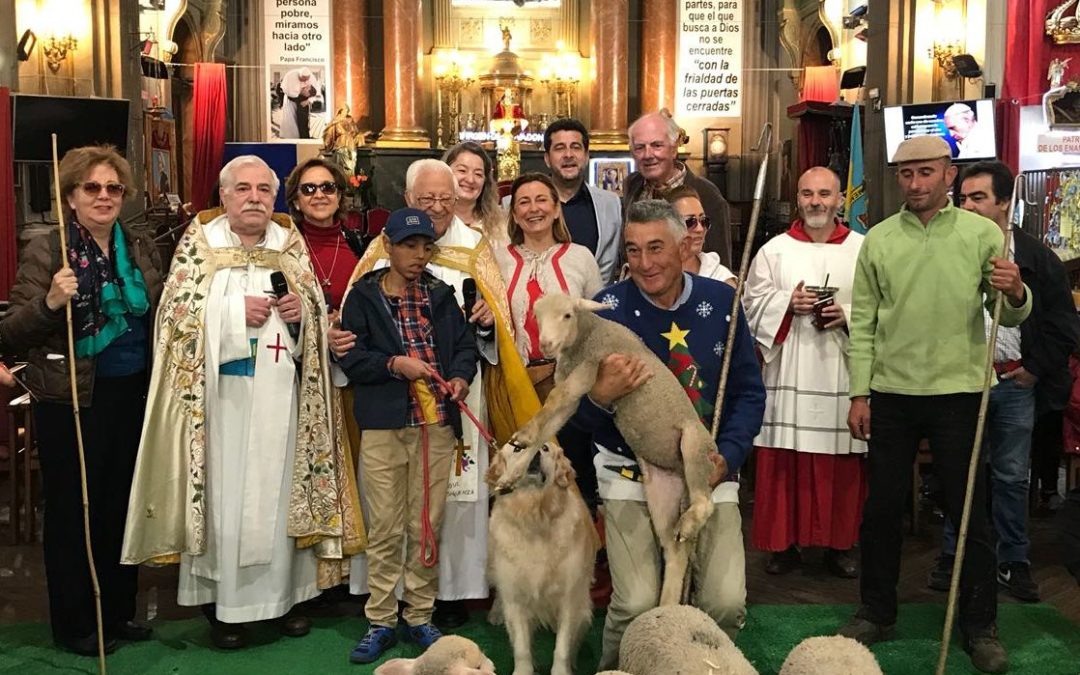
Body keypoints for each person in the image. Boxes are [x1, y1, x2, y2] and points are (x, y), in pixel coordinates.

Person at [121, 155, 362, 650]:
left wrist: (300, 317)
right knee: (225, 500)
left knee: (278, 498)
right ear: (224, 196)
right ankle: (225, 610)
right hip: (220, 405)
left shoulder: (289, 244)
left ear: (275, 198)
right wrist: (231, 312)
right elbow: (175, 319)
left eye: (264, 190)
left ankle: (285, 603)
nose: (255, 198)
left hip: (282, 400)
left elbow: (315, 316)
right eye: (243, 189)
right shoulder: (200, 244)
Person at [839, 136, 1031, 675]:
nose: (916, 184)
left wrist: (1016, 291)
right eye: (906, 174)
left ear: (949, 174)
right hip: (892, 394)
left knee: (970, 512)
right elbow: (865, 326)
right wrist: (859, 392)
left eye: (926, 172)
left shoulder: (981, 233)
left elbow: (1009, 316)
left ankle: (980, 627)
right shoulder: (876, 239)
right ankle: (875, 611)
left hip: (960, 393)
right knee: (880, 510)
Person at [347, 159, 540, 630]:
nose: (436, 207)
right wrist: (386, 361)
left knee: (441, 506)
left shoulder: (474, 248)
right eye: (425, 199)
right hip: (390, 409)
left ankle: (446, 594)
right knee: (392, 513)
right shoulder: (377, 257)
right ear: (409, 200)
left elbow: (489, 328)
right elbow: (354, 343)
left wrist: (490, 325)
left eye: (445, 199)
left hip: (454, 401)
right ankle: (384, 611)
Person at [575, 199, 765, 670]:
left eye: (656, 248)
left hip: (708, 470)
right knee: (637, 603)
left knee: (723, 602)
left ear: (684, 245)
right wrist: (600, 396)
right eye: (634, 250)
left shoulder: (722, 303)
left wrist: (729, 455)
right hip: (628, 472)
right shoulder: (608, 310)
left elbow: (747, 393)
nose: (644, 263)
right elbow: (576, 411)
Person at [0, 145, 163, 655]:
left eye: (113, 188)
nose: (103, 196)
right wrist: (50, 302)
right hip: (71, 398)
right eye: (91, 187)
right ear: (70, 196)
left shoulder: (139, 247)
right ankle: (76, 623)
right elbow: (10, 333)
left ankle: (117, 613)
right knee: (74, 513)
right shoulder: (48, 249)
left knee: (120, 507)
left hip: (133, 394)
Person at [926, 161, 1080, 601]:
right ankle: (953, 555)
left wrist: (1034, 369)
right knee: (960, 472)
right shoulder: (943, 250)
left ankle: (1013, 561)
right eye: (964, 198)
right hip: (961, 382)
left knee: (1012, 476)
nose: (968, 206)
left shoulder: (1035, 258)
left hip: (1014, 385)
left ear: (1004, 204)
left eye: (978, 198)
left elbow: (1063, 325)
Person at [341, 208, 477, 664]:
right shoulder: (362, 297)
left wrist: (458, 377)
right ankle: (381, 618)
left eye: (425, 246)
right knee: (383, 526)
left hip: (435, 423)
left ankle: (419, 614)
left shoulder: (441, 295)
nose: (418, 255)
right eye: (408, 245)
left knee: (426, 522)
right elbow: (351, 357)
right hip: (384, 424)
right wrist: (394, 365)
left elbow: (464, 347)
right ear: (388, 245)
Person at [742, 167, 866, 579]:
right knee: (784, 461)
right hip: (789, 372)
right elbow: (750, 305)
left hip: (840, 371)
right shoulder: (774, 250)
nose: (816, 202)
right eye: (808, 193)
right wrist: (785, 303)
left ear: (839, 200)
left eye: (825, 194)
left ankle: (839, 545)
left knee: (841, 466)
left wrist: (845, 314)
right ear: (797, 198)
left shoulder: (862, 249)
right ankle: (783, 545)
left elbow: (882, 308)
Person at [494, 172, 603, 398]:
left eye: (541, 200)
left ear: (556, 210)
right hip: (514, 385)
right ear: (514, 215)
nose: (533, 209)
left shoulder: (581, 256)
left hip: (572, 383)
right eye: (524, 202)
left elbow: (598, 324)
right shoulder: (496, 260)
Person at [623, 111, 733, 267]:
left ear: (673, 149)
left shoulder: (707, 194)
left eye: (657, 145)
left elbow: (720, 261)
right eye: (640, 147)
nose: (647, 155)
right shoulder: (632, 186)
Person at [540, 118, 623, 284]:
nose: (568, 155)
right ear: (547, 159)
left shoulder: (611, 204)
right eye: (559, 148)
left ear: (586, 156)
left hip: (594, 305)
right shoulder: (517, 205)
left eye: (576, 147)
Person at [665, 186, 736, 285]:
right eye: (690, 222)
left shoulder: (721, 279)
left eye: (704, 221)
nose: (700, 229)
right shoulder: (651, 273)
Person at [443, 142, 506, 243]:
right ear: (445, 172)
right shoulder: (434, 221)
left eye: (478, 174)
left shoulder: (500, 226)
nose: (470, 180)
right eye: (462, 171)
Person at [280, 67, 321, 139]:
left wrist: (308, 101)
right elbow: (284, 89)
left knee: (303, 121)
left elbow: (316, 93)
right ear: (299, 75)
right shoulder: (290, 75)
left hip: (304, 101)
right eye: (302, 79)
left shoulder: (312, 78)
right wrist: (296, 94)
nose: (304, 82)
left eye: (306, 80)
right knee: (291, 122)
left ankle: (304, 137)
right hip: (291, 100)